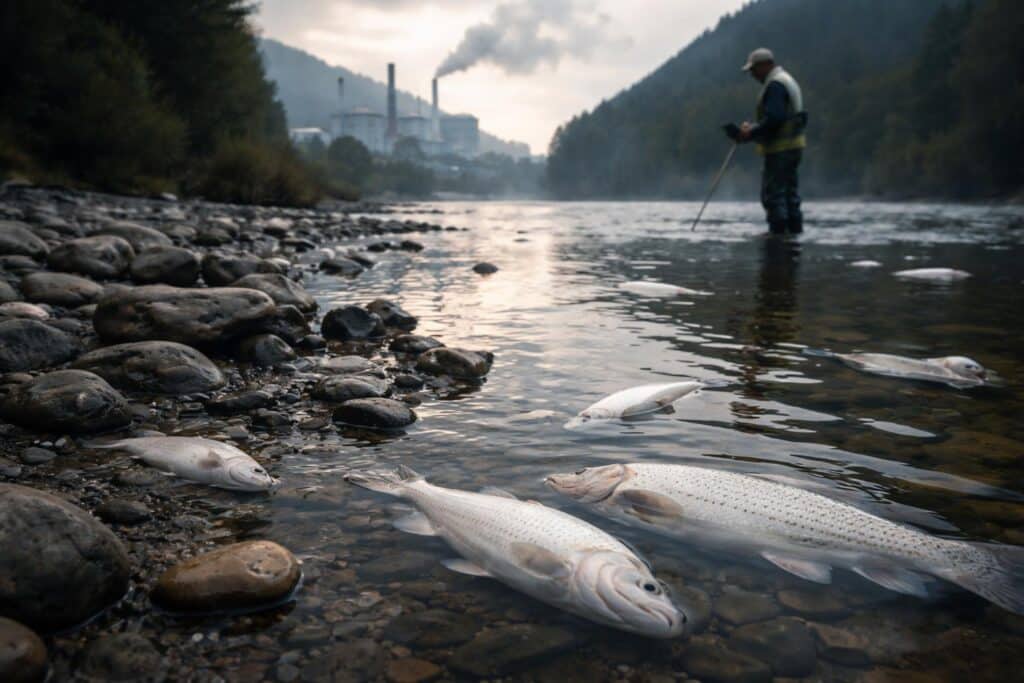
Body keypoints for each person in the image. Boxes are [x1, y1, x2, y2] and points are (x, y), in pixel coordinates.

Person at [735, 48, 808, 235]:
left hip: (780, 151)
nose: (752, 74)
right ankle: (793, 242)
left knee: (774, 197)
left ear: (765, 65)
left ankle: (777, 243)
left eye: (754, 69)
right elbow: (781, 116)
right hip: (794, 148)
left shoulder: (775, 85)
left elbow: (775, 119)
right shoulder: (786, 80)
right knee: (790, 198)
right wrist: (755, 128)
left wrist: (750, 132)